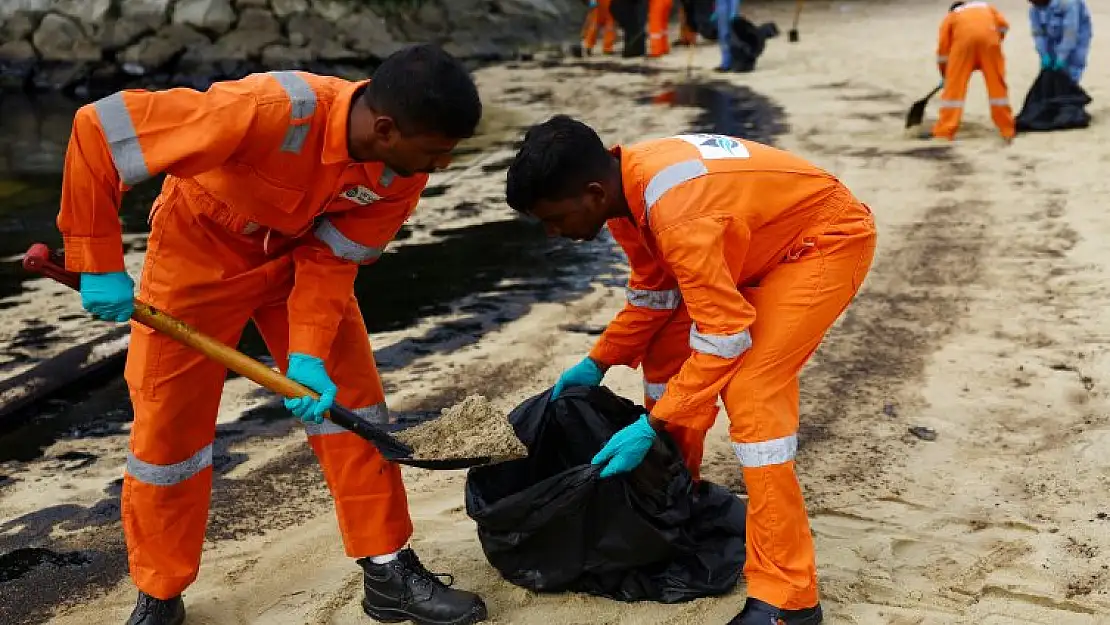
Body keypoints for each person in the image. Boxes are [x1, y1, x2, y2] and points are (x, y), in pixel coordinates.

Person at [57, 44, 488, 625]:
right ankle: (158, 593)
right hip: (198, 255)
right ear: (386, 128)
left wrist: (307, 355)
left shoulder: (398, 173)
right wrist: (97, 258)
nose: (441, 167)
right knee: (169, 435)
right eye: (436, 154)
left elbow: (333, 261)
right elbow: (102, 131)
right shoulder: (265, 109)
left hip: (299, 263)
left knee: (353, 405)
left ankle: (388, 571)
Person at [505, 116, 877, 624]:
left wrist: (652, 426)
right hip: (753, 244)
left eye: (554, 219)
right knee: (664, 355)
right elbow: (655, 297)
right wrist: (599, 361)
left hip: (820, 241)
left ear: (592, 192)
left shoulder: (676, 216)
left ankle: (790, 599)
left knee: (751, 390)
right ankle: (677, 505)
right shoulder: (625, 195)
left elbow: (725, 338)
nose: (553, 233)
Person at [931, 1, 1015, 142]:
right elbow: (1004, 26)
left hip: (964, 47)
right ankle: (1007, 128)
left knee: (954, 91)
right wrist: (995, 40)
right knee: (997, 87)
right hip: (990, 43)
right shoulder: (987, 8)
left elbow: (943, 51)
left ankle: (945, 131)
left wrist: (946, 74)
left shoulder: (951, 17)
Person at [1029, 0, 1092, 84]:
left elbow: (1070, 34)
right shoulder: (1034, 9)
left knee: (1069, 74)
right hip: (1051, 36)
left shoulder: (1068, 3)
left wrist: (1061, 58)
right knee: (1049, 73)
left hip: (1077, 38)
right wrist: (1043, 54)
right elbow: (1038, 34)